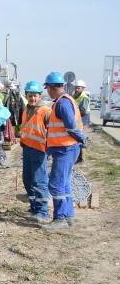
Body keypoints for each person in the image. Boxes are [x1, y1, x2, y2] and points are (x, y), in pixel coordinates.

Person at [41, 71, 85, 230]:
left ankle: (60, 218)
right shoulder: (65, 100)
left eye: (47, 88)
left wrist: (82, 140)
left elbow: (71, 126)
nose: (47, 91)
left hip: (65, 148)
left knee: (56, 184)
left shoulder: (62, 103)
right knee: (64, 183)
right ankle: (68, 216)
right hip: (66, 148)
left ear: (52, 88)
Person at [19, 80, 51, 223]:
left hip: (39, 149)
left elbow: (52, 131)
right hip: (27, 148)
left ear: (40, 96)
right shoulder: (26, 111)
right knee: (27, 180)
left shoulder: (45, 111)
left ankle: (42, 212)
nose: (33, 98)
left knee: (39, 181)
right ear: (26, 95)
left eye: (35, 96)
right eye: (30, 95)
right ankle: (34, 207)